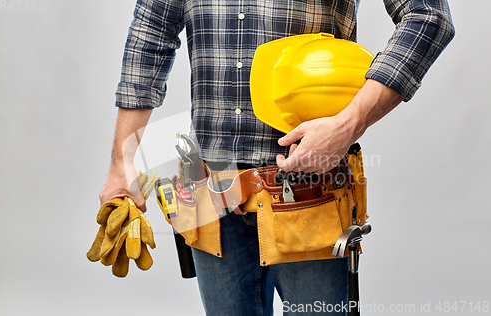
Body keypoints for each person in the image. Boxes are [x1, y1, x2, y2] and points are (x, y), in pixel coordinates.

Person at [99, 0, 455, 314]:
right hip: (208, 198)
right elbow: (151, 34)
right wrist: (122, 163)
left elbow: (429, 15)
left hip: (308, 198)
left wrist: (350, 123)